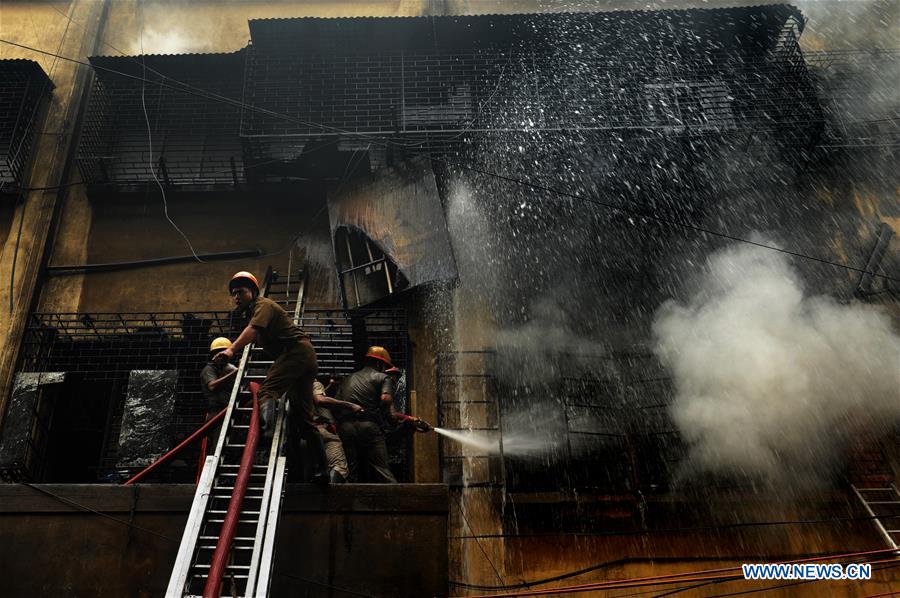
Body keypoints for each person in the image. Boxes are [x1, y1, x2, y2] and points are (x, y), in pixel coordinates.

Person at [214, 271, 329, 483]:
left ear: (253, 292)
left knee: (267, 391)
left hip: (295, 353)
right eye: (233, 294)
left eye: (241, 292)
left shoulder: (263, 305)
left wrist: (231, 350)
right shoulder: (254, 310)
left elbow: (254, 330)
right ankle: (323, 471)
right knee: (305, 419)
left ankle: (266, 433)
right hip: (302, 358)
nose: (236, 296)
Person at [336, 346, 424, 483]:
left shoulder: (348, 379)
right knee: (382, 469)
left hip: (346, 428)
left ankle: (346, 503)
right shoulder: (383, 377)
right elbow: (386, 400)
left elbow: (337, 404)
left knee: (351, 471)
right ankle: (397, 501)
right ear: (379, 363)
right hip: (369, 427)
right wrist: (385, 416)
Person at [312, 374, 355, 484]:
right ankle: (328, 497)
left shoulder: (295, 386)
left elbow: (314, 399)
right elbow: (319, 400)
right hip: (322, 429)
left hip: (306, 432)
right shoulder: (314, 383)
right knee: (339, 467)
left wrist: (330, 386)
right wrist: (350, 405)